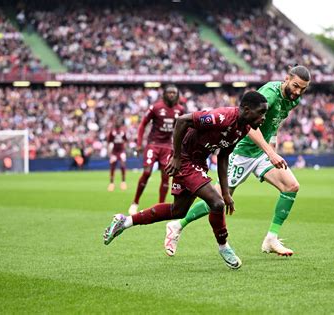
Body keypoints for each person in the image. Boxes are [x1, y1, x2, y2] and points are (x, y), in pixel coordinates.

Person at [103, 91, 268, 269]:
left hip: (198, 161)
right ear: (246, 109)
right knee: (217, 203)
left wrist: (227, 192)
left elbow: (223, 156)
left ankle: (124, 222)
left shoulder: (242, 128)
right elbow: (182, 120)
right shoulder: (221, 117)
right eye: (261, 112)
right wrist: (176, 156)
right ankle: (223, 246)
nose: (263, 117)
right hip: (185, 160)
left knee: (178, 211)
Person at [164, 65, 311, 257]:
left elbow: (275, 123)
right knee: (218, 199)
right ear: (286, 78)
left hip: (261, 152)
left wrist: (271, 146)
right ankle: (176, 225)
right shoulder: (269, 94)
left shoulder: (293, 99)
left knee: (291, 186)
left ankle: (271, 239)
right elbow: (249, 126)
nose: (298, 91)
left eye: (303, 88)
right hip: (241, 151)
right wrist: (270, 153)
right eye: (296, 86)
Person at [128, 85, 185, 214]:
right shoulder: (156, 107)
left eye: (174, 93)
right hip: (153, 144)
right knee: (147, 172)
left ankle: (160, 206)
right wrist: (139, 143)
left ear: (177, 95)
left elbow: (183, 128)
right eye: (169, 92)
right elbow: (143, 124)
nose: (171, 95)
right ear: (164, 94)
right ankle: (135, 202)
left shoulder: (180, 110)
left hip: (168, 146)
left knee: (166, 176)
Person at [107, 119, 128, 192]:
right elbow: (109, 141)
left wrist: (125, 149)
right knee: (113, 166)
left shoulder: (122, 132)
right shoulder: (112, 132)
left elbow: (125, 140)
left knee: (122, 165)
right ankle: (111, 183)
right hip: (114, 151)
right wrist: (109, 151)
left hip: (121, 151)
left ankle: (123, 182)